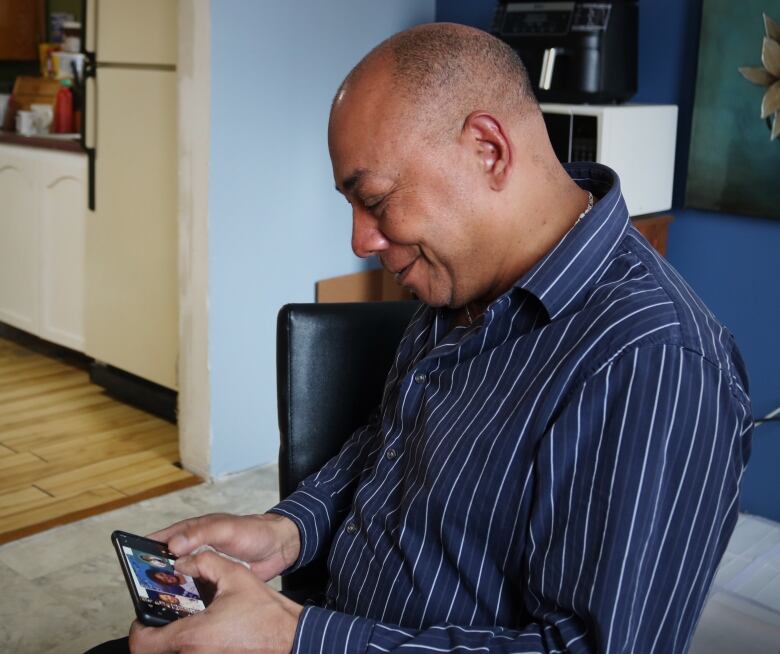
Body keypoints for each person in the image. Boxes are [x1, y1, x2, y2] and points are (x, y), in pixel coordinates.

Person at [90, 22, 752, 654]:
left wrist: (297, 639)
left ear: (488, 150)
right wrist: (289, 530)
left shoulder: (656, 362)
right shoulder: (461, 275)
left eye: (374, 200)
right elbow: (391, 439)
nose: (359, 240)